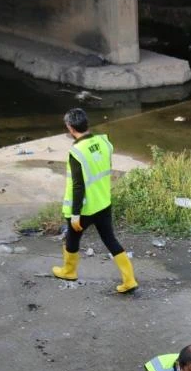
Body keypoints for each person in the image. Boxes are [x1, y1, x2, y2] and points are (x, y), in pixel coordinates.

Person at [51, 108, 138, 294]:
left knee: (72, 240)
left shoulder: (76, 152)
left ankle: (69, 271)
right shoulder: (104, 142)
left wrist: (75, 214)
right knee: (110, 239)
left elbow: (78, 186)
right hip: (103, 202)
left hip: (85, 208)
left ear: (70, 128)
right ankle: (129, 279)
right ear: (86, 124)